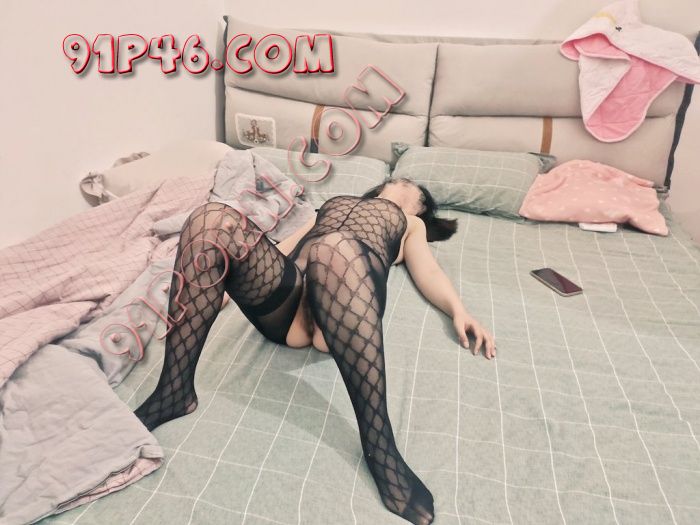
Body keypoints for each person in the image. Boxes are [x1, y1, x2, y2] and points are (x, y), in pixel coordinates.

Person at [134, 176, 496, 525]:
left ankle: (381, 448)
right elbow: (283, 249)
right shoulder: (333, 205)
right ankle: (174, 389)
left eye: (413, 189)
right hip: (287, 304)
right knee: (210, 218)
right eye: (398, 181)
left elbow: (429, 271)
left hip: (343, 305)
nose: (404, 184)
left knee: (334, 247)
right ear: (379, 187)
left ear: (421, 209)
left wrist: (458, 310)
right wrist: (226, 276)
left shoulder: (410, 224)